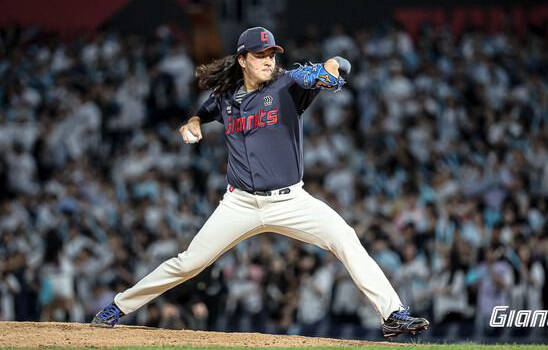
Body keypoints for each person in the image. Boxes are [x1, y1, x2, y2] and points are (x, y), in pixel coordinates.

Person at [90, 26, 429, 339]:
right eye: (260, 55)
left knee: (345, 238)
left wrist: (333, 66)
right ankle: (117, 307)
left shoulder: (288, 84)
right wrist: (191, 122)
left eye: (271, 54)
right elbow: (207, 110)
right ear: (242, 60)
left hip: (290, 201)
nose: (269, 60)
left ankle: (392, 313)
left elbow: (330, 66)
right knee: (189, 262)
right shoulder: (227, 96)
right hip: (238, 203)